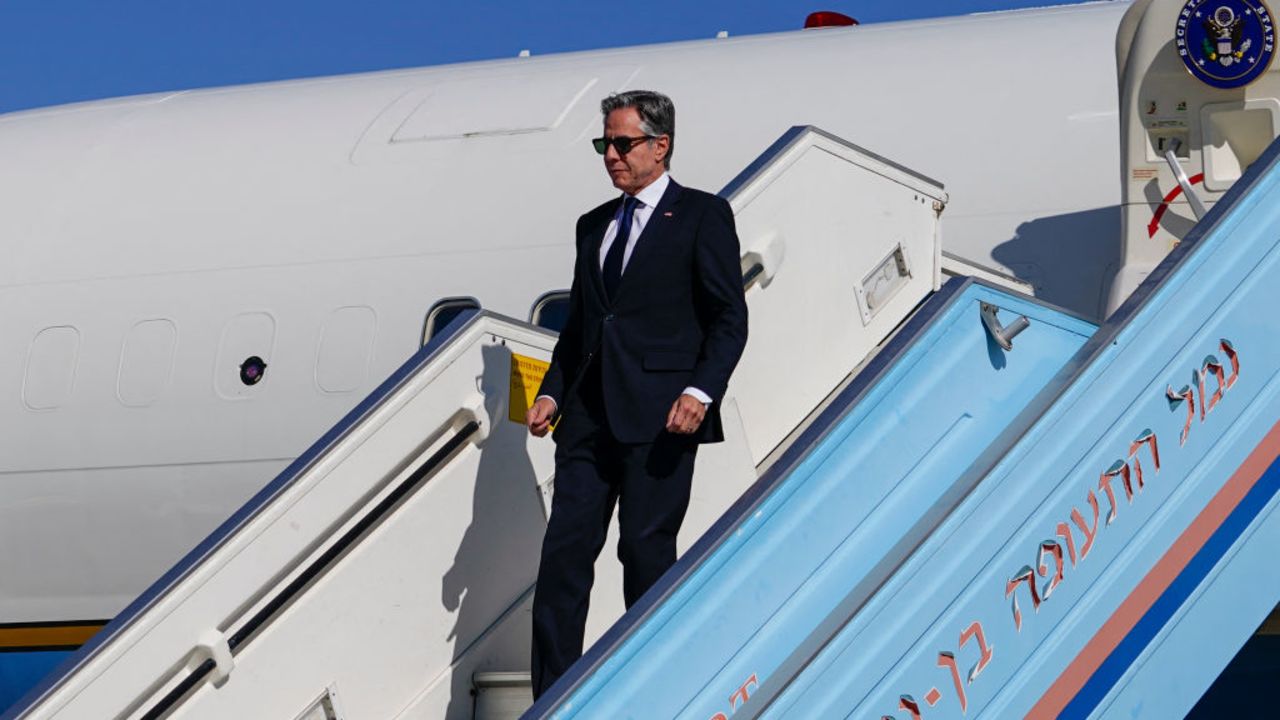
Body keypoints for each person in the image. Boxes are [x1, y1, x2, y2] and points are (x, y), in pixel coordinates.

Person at [524, 89, 749, 698]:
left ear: (660, 146)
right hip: (588, 418)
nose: (611, 156)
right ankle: (553, 696)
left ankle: (653, 692)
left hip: (662, 419)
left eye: (622, 144)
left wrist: (701, 392)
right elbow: (581, 326)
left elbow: (730, 318)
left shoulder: (702, 215)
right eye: (605, 144)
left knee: (644, 555)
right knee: (563, 557)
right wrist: (551, 392)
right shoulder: (592, 225)